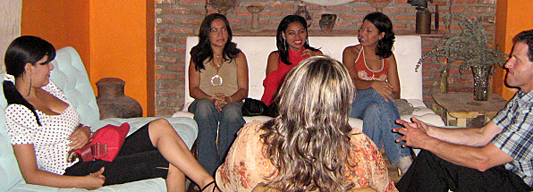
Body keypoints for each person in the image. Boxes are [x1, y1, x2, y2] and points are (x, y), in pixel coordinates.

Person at [3, 35, 219, 192]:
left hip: (93, 149)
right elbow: (30, 175)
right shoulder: (18, 112)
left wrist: (85, 130)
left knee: (160, 126)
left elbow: (73, 124)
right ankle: (209, 186)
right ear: (29, 68)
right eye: (45, 63)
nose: (51, 68)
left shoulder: (48, 88)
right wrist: (82, 182)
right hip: (75, 169)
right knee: (171, 163)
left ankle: (206, 183)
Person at [394, 29, 533, 192]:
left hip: (526, 188)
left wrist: (425, 141)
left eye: (516, 59)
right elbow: (482, 135)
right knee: (435, 155)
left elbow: (483, 160)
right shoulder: (524, 97)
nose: (507, 64)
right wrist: (428, 131)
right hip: (510, 175)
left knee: (435, 154)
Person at [216, 56, 398, 192]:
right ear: (343, 102)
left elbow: (227, 185)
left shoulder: (254, 139)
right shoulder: (359, 146)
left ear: (290, 92)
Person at [342, 12, 413, 174]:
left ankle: (370, 163)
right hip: (353, 104)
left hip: (375, 104)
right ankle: (403, 157)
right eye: (362, 29)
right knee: (376, 93)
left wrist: (380, 89)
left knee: (375, 109)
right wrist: (374, 84)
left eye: (368, 31)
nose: (362, 34)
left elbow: (395, 92)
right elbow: (352, 81)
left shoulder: (387, 57)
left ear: (381, 35)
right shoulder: (351, 52)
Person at [187, 13, 248, 176]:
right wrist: (211, 99)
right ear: (207, 34)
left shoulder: (238, 56)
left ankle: (226, 170)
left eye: (223, 30)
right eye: (215, 30)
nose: (220, 35)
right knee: (205, 108)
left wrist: (228, 99)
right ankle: (208, 172)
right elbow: (193, 89)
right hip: (204, 101)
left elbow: (243, 90)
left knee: (232, 112)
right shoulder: (197, 56)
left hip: (231, 101)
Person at [261, 14, 322, 106]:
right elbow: (271, 90)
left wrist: (311, 63)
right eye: (291, 33)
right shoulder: (275, 57)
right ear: (283, 35)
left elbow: (321, 87)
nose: (297, 37)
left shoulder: (316, 55)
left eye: (301, 32)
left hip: (309, 104)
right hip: (282, 103)